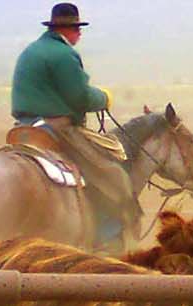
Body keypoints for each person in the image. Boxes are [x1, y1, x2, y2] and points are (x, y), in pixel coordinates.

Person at [11, 2, 135, 254]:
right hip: (55, 127)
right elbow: (80, 98)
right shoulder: (63, 55)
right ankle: (106, 237)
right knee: (111, 173)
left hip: (23, 126)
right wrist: (104, 98)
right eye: (77, 28)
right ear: (65, 29)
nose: (79, 33)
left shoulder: (31, 50)